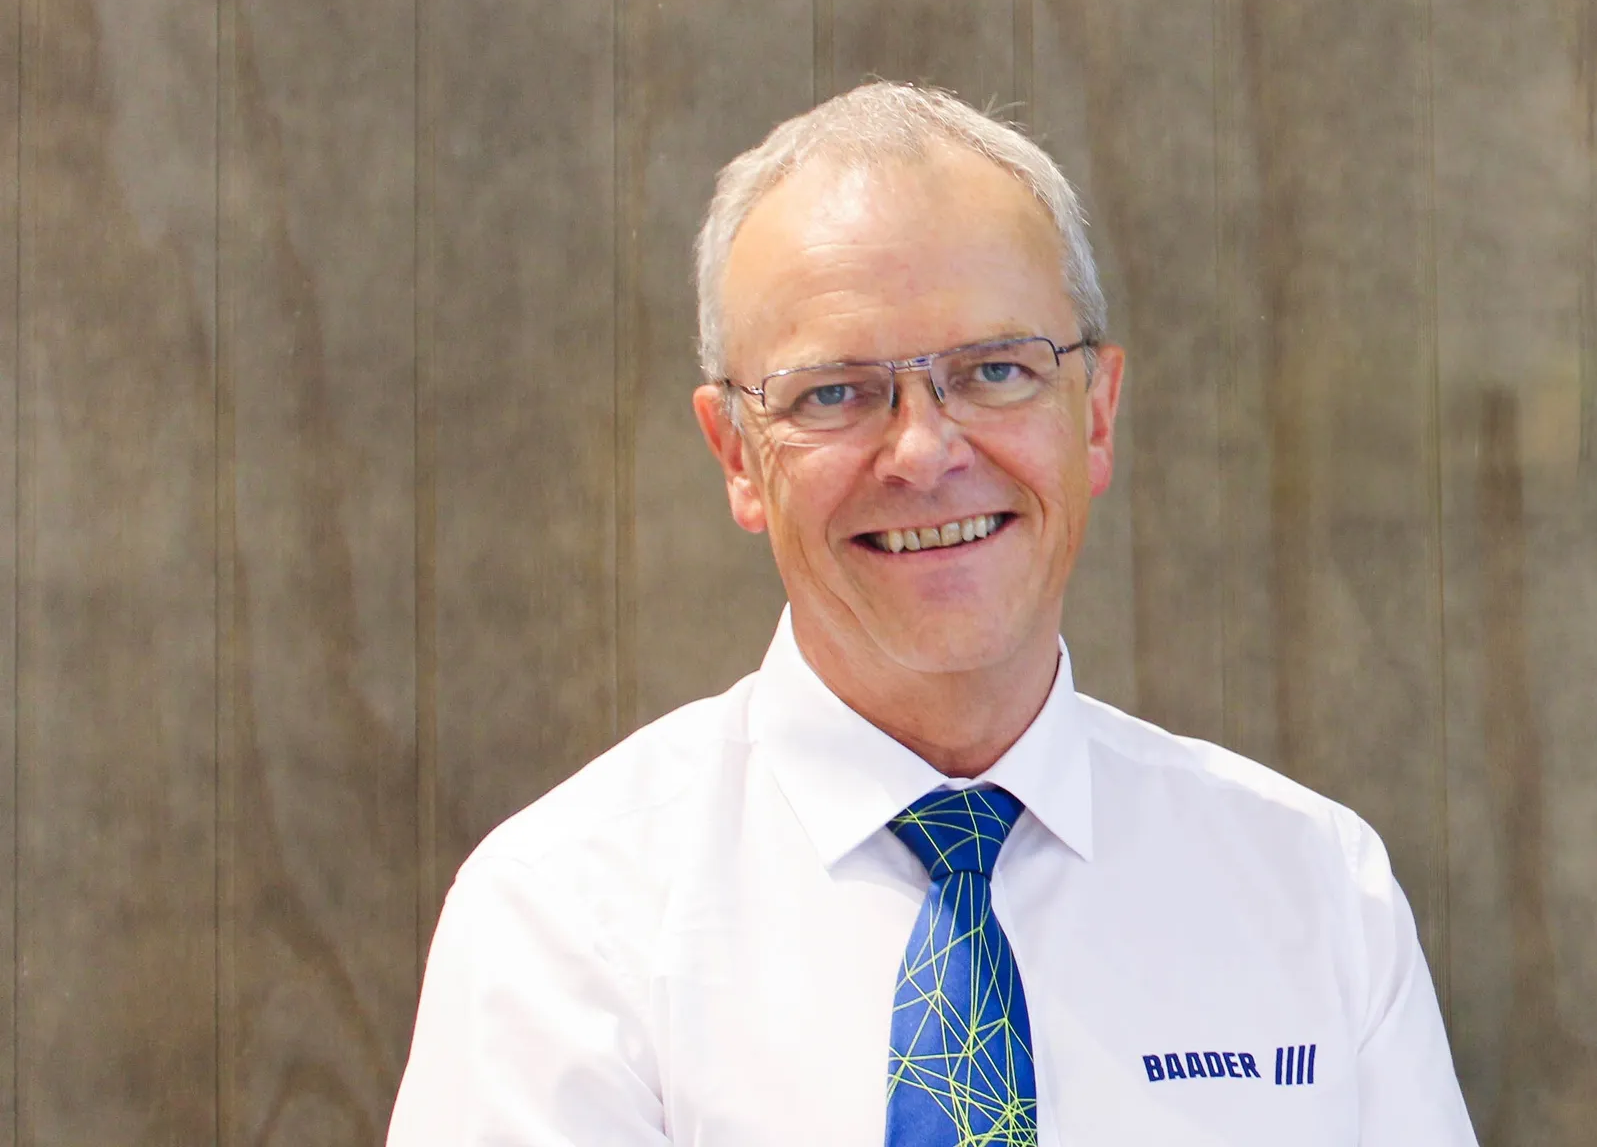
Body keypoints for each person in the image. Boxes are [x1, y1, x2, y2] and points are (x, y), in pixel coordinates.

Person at [387, 80, 1479, 1146]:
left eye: (996, 370)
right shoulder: (562, 923)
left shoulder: (1315, 890)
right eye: (833, 393)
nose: (924, 451)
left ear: (1096, 415)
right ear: (736, 456)